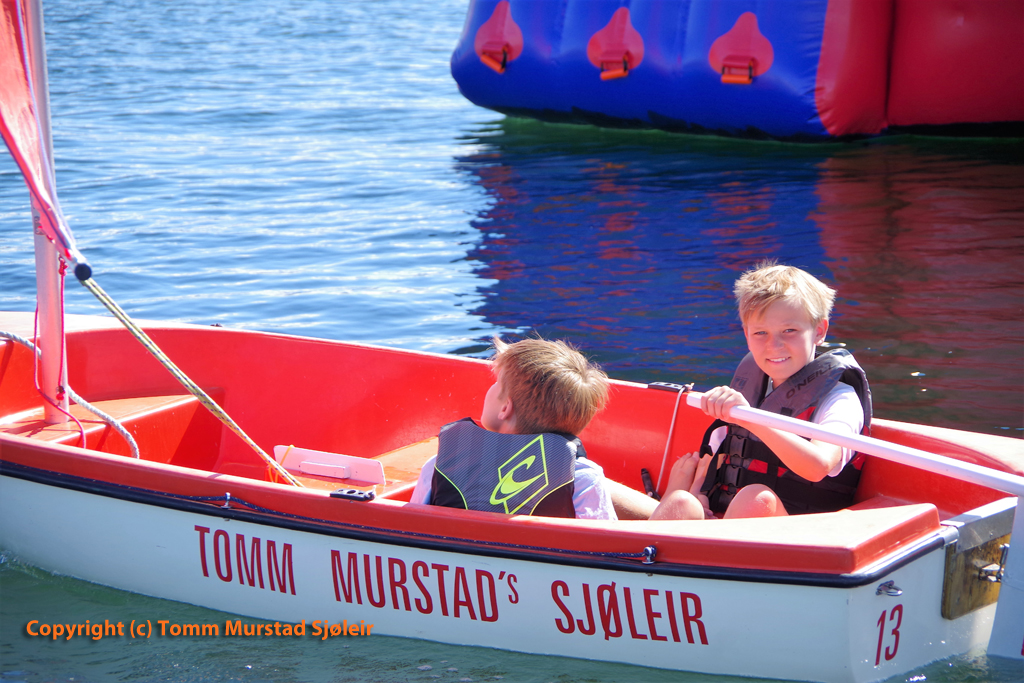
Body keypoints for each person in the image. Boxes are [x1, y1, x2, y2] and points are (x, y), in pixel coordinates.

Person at [660, 261, 871, 519]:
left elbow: (819, 465)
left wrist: (751, 419)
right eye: (761, 333)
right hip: (729, 520)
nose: (774, 345)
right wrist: (701, 496)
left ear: (819, 331)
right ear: (747, 335)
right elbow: (718, 462)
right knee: (681, 502)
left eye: (789, 330)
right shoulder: (750, 387)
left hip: (801, 532)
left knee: (755, 499)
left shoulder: (840, 400)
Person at [410, 337, 618, 520]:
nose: (490, 388)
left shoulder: (440, 466)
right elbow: (603, 543)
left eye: (496, 383)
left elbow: (411, 525)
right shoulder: (583, 478)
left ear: (505, 408)